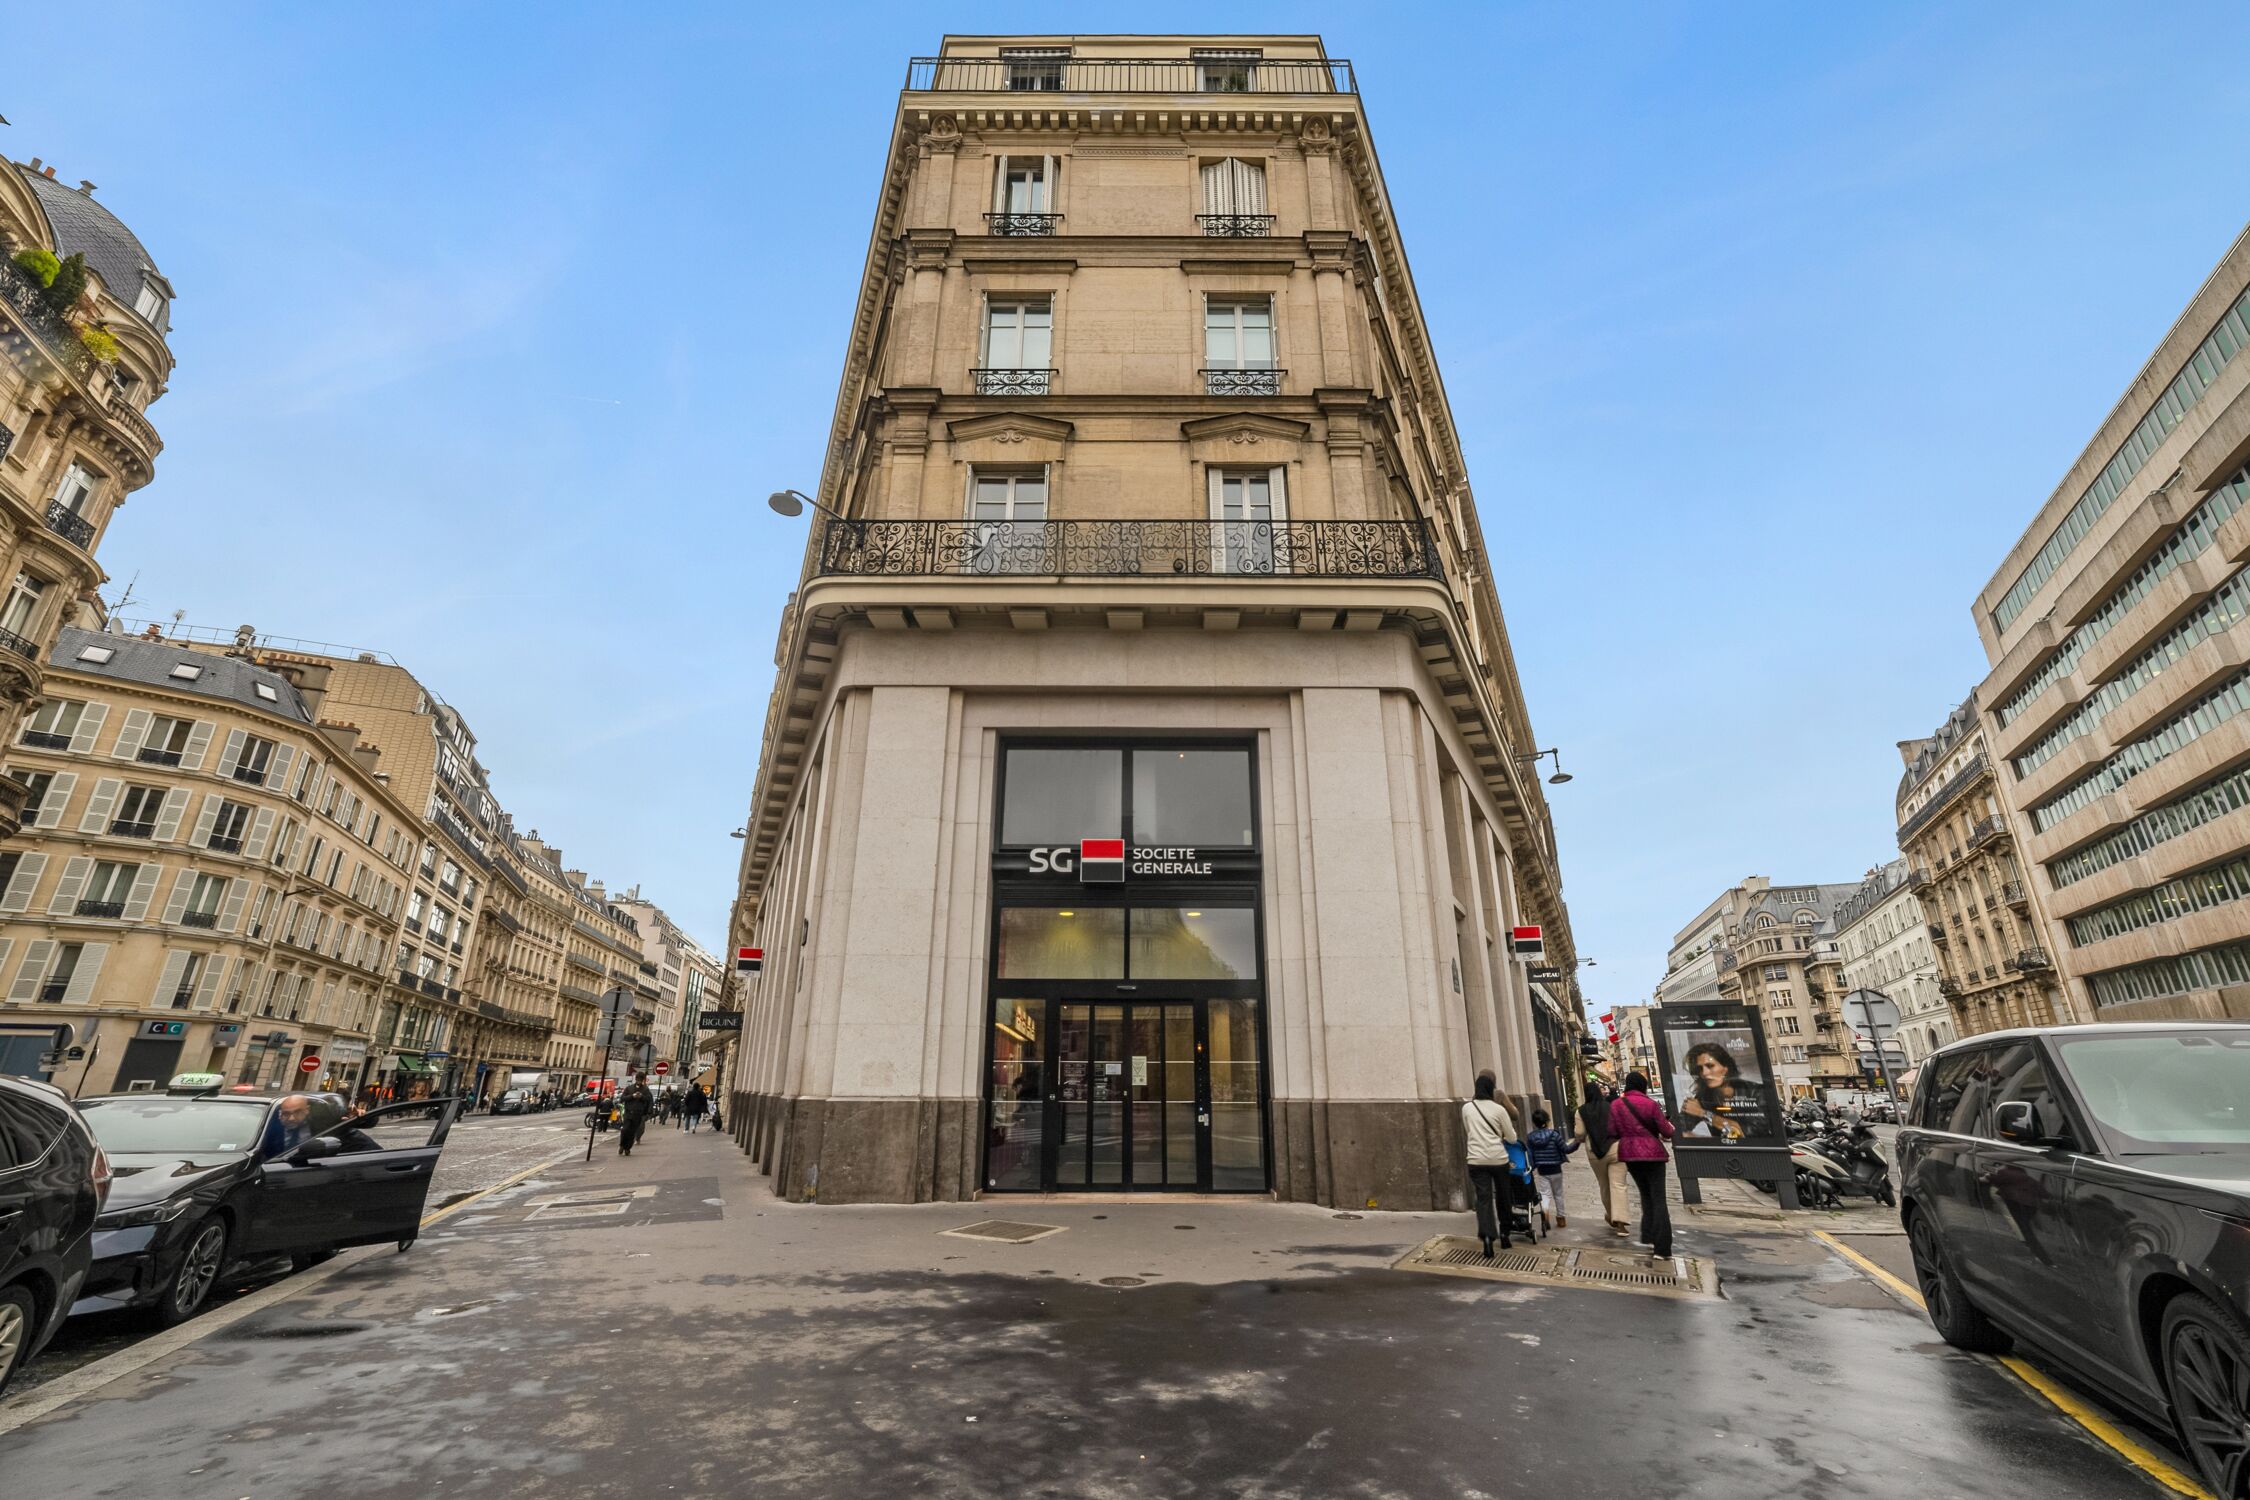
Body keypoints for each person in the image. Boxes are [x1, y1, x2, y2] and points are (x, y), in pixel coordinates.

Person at [1610, 1071, 1676, 1262]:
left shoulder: (1616, 1105)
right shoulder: (1651, 1104)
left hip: (1630, 1156)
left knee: (1645, 1195)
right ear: (1643, 1086)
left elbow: (1612, 1132)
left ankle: (1648, 1235)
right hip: (1653, 1155)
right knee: (1658, 1199)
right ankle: (1662, 1248)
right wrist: (1669, 1127)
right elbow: (1666, 1131)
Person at [1461, 1071, 1520, 1259]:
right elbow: (1512, 1138)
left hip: (1476, 1159)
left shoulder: (1467, 1108)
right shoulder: (1499, 1110)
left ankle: (1487, 1237)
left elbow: (1469, 1131)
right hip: (1498, 1159)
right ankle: (1505, 1233)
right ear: (1491, 1088)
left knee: (1483, 1199)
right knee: (1503, 1196)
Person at [1573, 1078, 1630, 1236]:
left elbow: (1579, 1133)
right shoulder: (1610, 1106)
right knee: (1618, 1185)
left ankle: (1612, 1216)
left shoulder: (1581, 1111)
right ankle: (1621, 1223)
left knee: (1604, 1186)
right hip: (1615, 1148)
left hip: (1595, 1152)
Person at [1679, 1041, 1751, 1141]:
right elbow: (1677, 1129)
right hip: (1721, 1150)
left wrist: (1704, 1114)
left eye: (1710, 1066)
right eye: (1700, 1068)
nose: (1704, 1073)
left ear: (1726, 1068)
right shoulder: (1704, 1096)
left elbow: (1744, 1133)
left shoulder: (1755, 1091)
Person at [1523, 1109, 1578, 1228]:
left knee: (1545, 1194)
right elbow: (1566, 1149)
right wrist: (1577, 1142)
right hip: (1556, 1169)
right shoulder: (1554, 1135)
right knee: (1558, 1194)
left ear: (1535, 1123)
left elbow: (1530, 1156)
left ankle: (1545, 1214)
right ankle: (1561, 1219)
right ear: (1547, 1121)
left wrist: (1531, 1168)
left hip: (1542, 1171)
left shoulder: (1531, 1138)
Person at [617, 1073, 654, 1156]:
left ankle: (627, 1148)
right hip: (628, 1112)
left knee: (632, 1132)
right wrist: (632, 1096)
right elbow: (622, 1098)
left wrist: (641, 1097)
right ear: (636, 1079)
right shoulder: (629, 1088)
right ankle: (622, 1145)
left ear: (642, 1080)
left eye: (640, 1080)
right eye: (638, 1080)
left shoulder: (645, 1089)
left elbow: (648, 1100)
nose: (639, 1081)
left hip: (638, 1114)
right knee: (625, 1130)